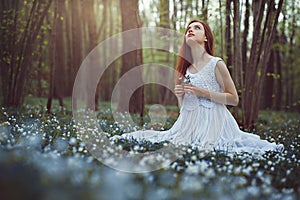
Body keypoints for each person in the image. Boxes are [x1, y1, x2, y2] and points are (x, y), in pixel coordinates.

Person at [112, 19, 284, 153]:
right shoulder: (185, 68)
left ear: (206, 38)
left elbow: (233, 99)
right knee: (171, 140)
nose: (190, 30)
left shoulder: (216, 64)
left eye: (196, 28)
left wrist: (202, 92)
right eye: (188, 29)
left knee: (211, 147)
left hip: (214, 120)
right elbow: (184, 108)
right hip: (190, 122)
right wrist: (180, 96)